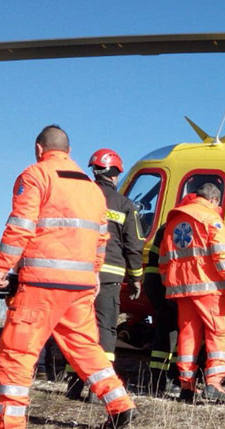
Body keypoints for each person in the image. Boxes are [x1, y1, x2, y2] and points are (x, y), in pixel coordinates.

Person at [0, 125, 137, 429]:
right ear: (67, 151)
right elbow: (100, 239)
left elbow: (21, 225)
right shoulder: (91, 189)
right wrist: (93, 274)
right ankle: (120, 405)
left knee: (18, 349)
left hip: (42, 281)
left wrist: (2, 266)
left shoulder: (36, 175)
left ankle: (10, 424)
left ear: (40, 149)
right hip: (80, 284)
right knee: (84, 347)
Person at [65, 148, 145, 401]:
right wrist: (136, 278)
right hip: (109, 274)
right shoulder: (124, 205)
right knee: (106, 329)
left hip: (79, 273)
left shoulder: (80, 198)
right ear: (116, 174)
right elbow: (134, 245)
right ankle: (97, 388)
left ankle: (73, 383)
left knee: (78, 327)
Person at [158, 183, 225, 403]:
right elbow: (220, 253)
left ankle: (187, 386)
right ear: (214, 200)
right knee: (219, 332)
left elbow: (164, 257)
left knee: (188, 335)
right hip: (209, 287)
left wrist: (170, 282)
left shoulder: (174, 220)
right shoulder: (210, 218)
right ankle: (214, 383)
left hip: (182, 289)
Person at [143, 222, 181, 395]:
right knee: (169, 328)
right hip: (164, 281)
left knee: (169, 327)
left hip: (157, 278)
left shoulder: (171, 223)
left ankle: (163, 378)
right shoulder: (184, 224)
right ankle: (160, 380)